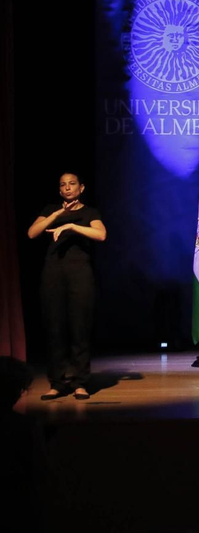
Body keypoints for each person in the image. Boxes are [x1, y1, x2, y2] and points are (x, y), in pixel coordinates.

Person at [26, 171, 106, 400]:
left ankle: (80, 383)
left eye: (72, 184)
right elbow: (32, 233)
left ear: (81, 188)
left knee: (80, 328)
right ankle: (57, 383)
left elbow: (101, 235)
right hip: (52, 275)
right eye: (63, 185)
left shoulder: (90, 212)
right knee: (54, 329)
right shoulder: (51, 210)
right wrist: (60, 213)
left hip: (80, 275)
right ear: (60, 190)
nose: (68, 188)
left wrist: (71, 226)